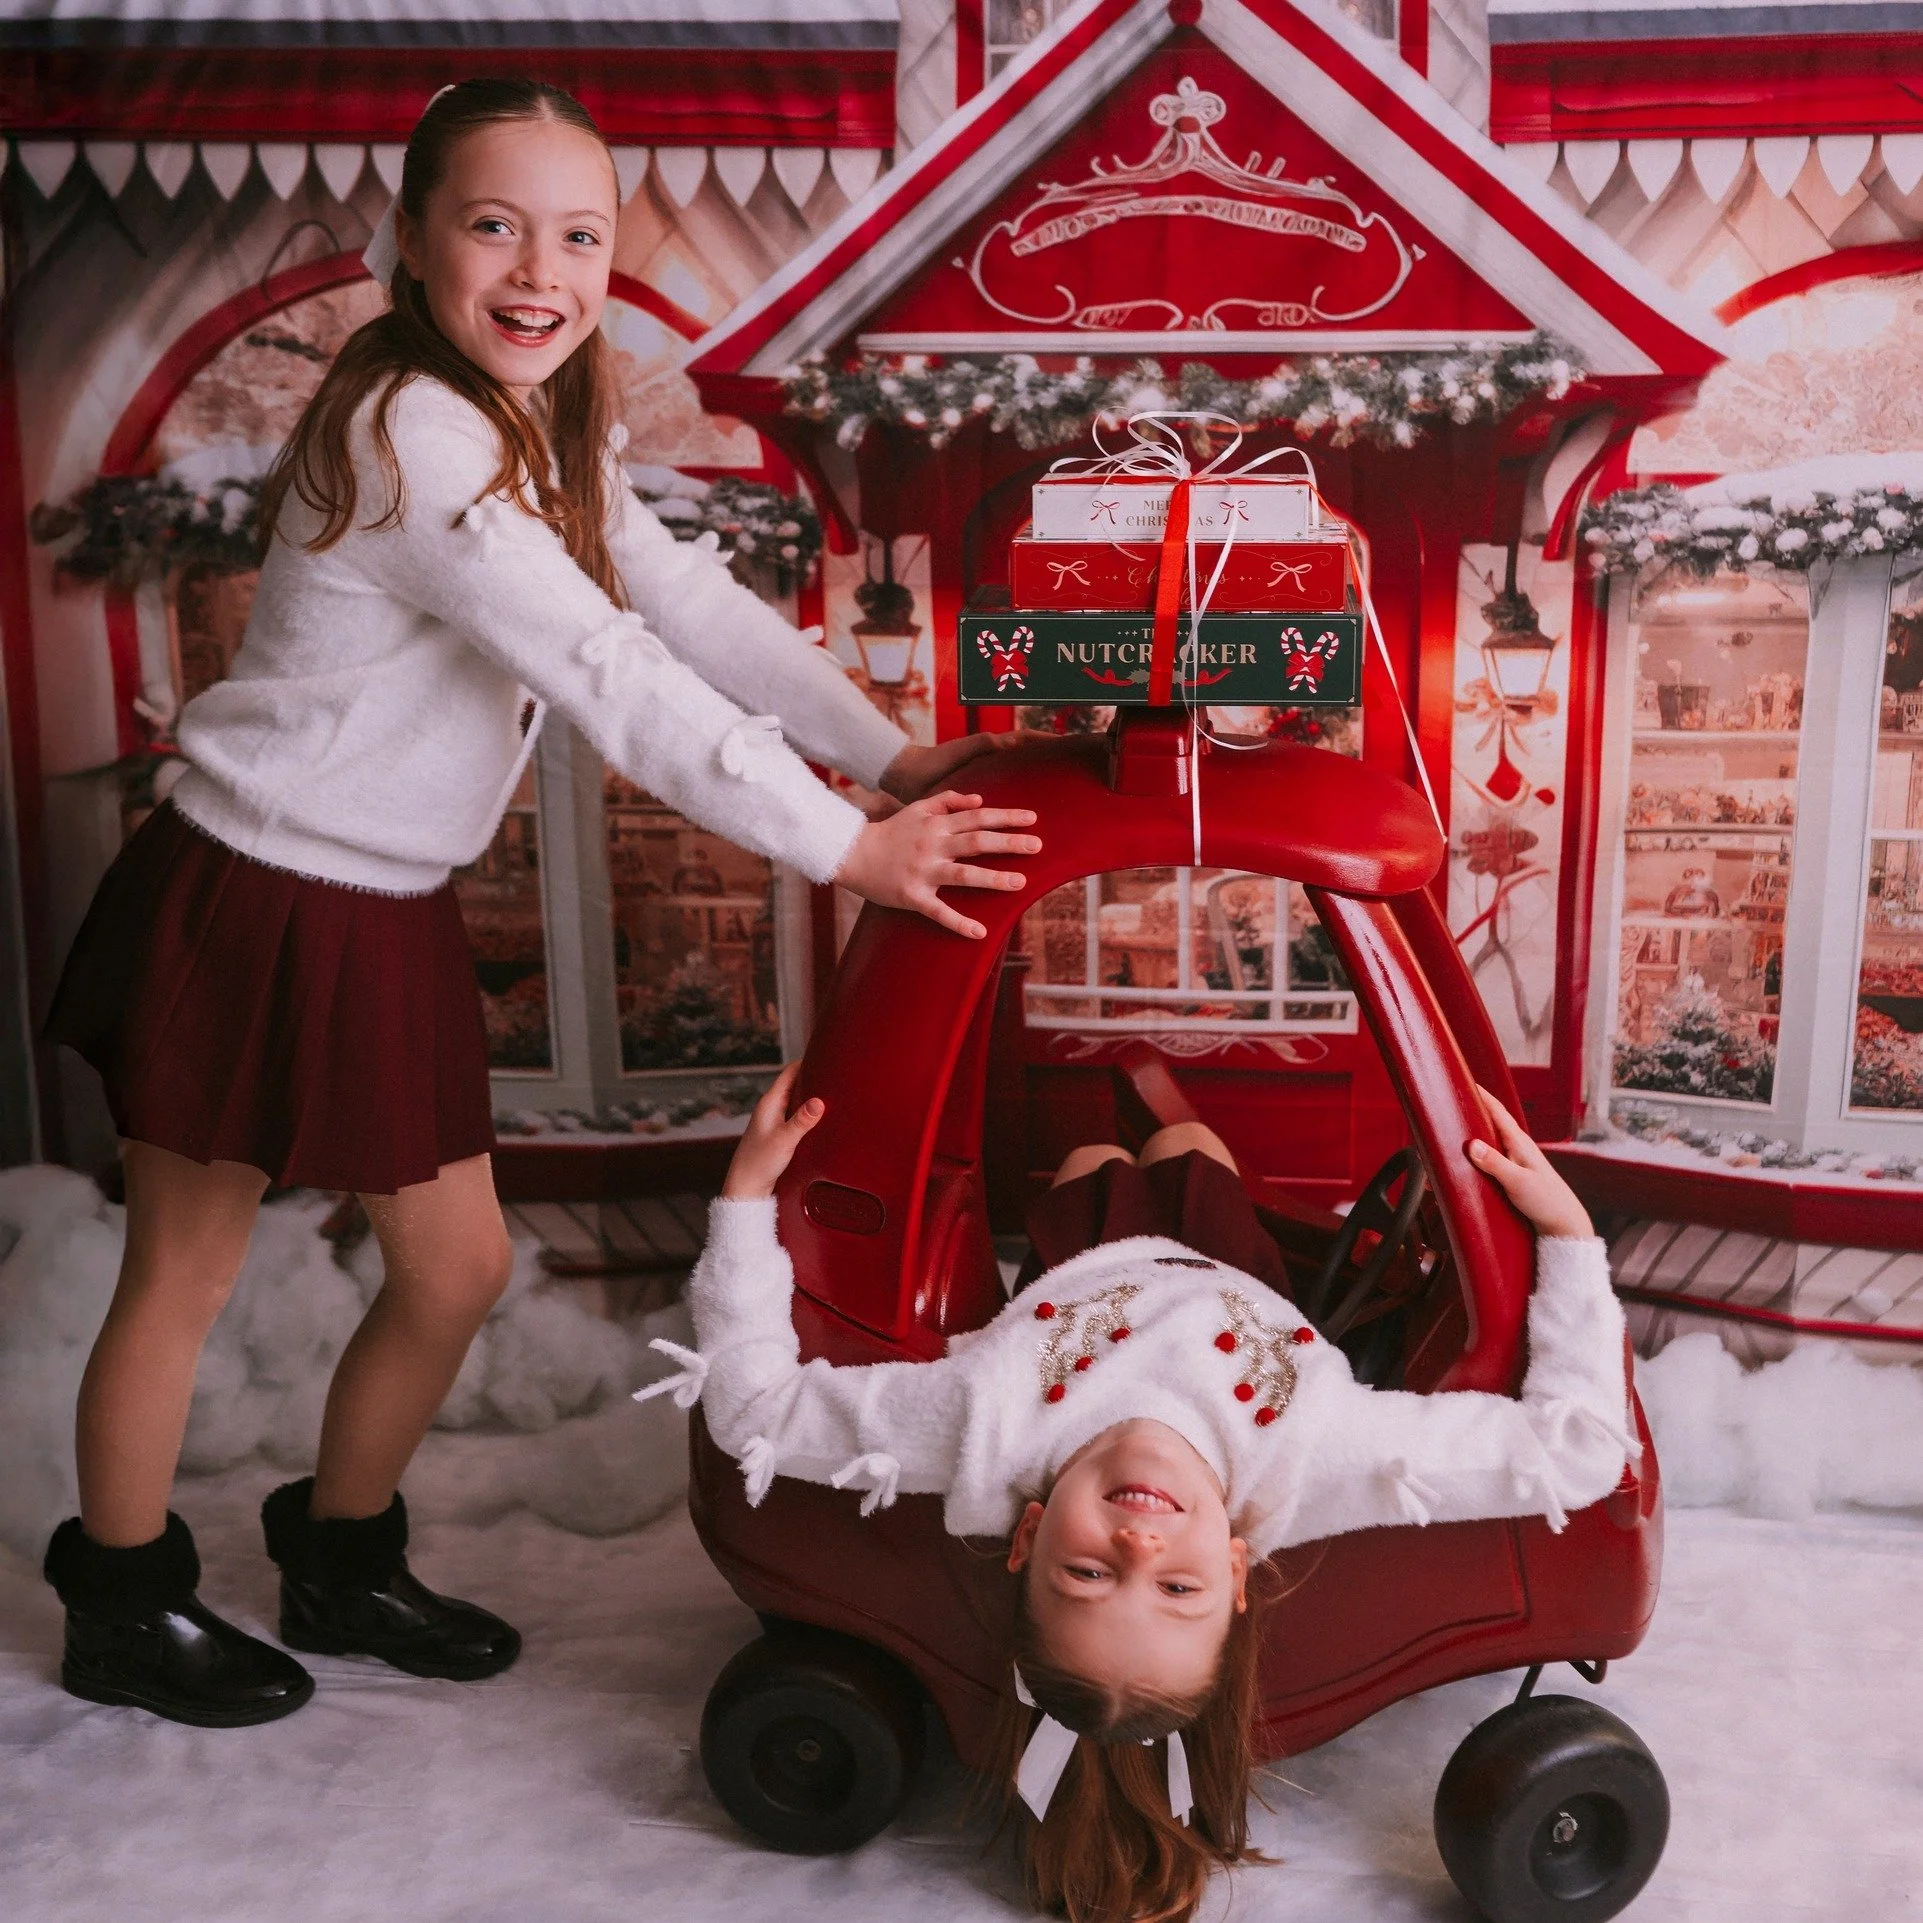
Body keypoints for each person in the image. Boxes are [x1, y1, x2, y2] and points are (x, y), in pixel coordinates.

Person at [39, 78, 1040, 1730]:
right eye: (493, 224)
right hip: (253, 889)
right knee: (183, 1274)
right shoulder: (412, 433)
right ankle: (124, 1600)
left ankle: (340, 1556)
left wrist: (884, 753)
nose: (540, 267)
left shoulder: (543, 421)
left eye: (577, 234)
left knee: (453, 1270)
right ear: (412, 243)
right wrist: (843, 847)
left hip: (380, 906)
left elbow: (676, 596)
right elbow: (603, 668)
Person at [653, 1070, 1633, 1923]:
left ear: (1027, 1533)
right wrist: (1569, 1232)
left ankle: (1102, 1158)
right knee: (1187, 1142)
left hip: (1077, 1283)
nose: (1138, 1551)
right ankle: (1162, 1151)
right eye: (1179, 1593)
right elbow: (1582, 1452)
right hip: (1230, 1282)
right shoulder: (1317, 1454)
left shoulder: (980, 1419)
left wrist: (742, 1200)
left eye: (1086, 1573)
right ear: (1239, 1568)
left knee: (1086, 1157)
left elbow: (753, 1413)